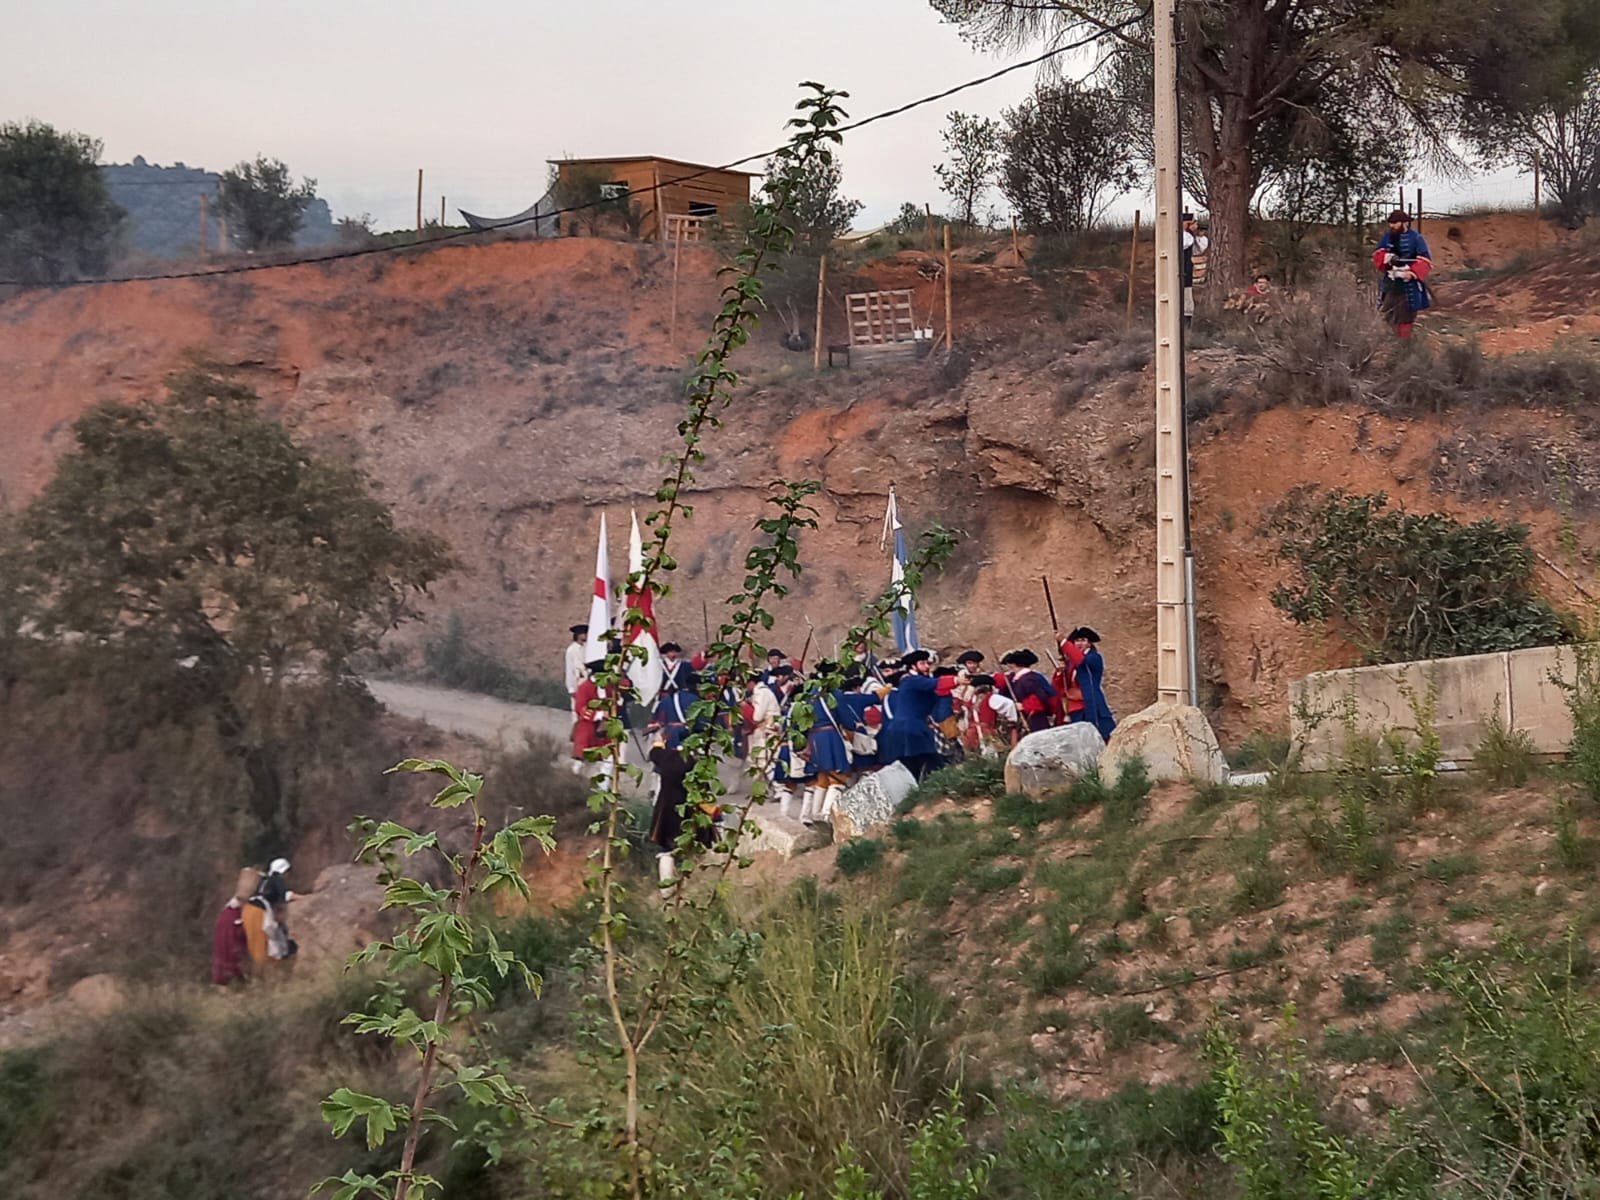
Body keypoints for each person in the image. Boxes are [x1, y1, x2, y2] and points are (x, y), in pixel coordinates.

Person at [877, 650, 959, 781]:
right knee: (930, 765)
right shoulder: (911, 680)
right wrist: (958, 679)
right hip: (909, 729)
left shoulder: (919, 681)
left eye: (927, 663)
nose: (927, 666)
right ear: (913, 667)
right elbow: (936, 684)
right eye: (922, 663)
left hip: (914, 728)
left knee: (922, 767)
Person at [647, 727, 715, 884]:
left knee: (667, 850)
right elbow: (702, 792)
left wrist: (660, 740)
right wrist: (713, 811)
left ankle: (666, 887)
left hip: (666, 810)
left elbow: (654, 753)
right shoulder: (695, 763)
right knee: (693, 849)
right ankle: (691, 884)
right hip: (690, 811)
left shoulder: (664, 758)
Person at [1373, 210, 1432, 338]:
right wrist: (1387, 257)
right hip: (1390, 282)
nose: (1392, 226)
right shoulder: (1387, 237)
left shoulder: (1416, 238)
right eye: (1391, 223)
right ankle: (1389, 343)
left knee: (1406, 317)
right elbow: (1378, 254)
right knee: (1387, 314)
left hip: (1408, 284)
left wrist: (1411, 272)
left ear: (1404, 223)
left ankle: (1404, 345)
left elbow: (1425, 259)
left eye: (1395, 223)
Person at [1065, 626, 1117, 741]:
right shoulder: (1071, 663)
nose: (1079, 643)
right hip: (1077, 707)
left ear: (1089, 643)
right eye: (1077, 640)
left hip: (1093, 702)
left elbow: (1082, 660)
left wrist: (1064, 643)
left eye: (1083, 640)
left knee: (1103, 735)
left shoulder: (1094, 657)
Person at [1002, 649, 1057, 734]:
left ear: (1014, 664)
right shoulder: (1019, 678)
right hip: (1028, 717)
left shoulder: (1029, 679)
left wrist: (1024, 706)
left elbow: (1040, 697)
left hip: (1036, 718)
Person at [257, 858, 297, 961]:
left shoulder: (266, 881)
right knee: (275, 942)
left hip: (257, 912)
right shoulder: (277, 879)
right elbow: (284, 896)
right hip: (265, 914)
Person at [1181, 213, 1209, 325]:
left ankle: (1187, 321)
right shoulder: (1183, 236)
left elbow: (1199, 249)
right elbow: (1185, 243)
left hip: (1186, 269)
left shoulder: (1189, 236)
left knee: (1187, 295)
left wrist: (1199, 235)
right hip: (1177, 269)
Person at [564, 624, 588, 714]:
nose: (585, 635)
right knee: (577, 709)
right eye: (583, 633)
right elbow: (569, 670)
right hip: (578, 681)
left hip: (587, 681)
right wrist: (571, 688)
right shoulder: (571, 650)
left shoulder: (588, 648)